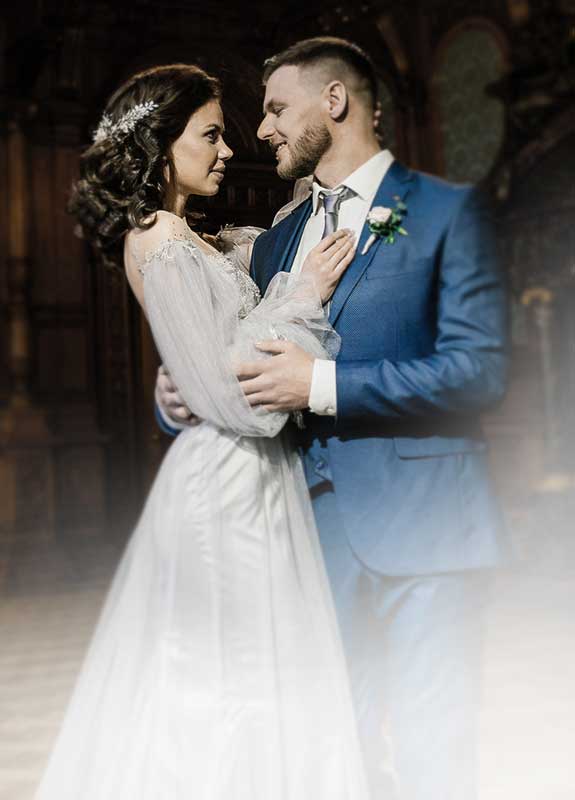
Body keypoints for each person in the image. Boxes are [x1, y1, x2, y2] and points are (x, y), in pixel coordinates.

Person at [157, 38, 509, 800]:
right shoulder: (277, 239)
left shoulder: (445, 212)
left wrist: (319, 385)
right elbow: (232, 359)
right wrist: (177, 395)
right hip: (303, 542)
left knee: (429, 753)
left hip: (425, 534)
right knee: (332, 754)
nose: (262, 131)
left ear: (335, 102)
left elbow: (480, 372)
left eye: (276, 108)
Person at [35, 63, 371, 800]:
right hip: (229, 479)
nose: (228, 149)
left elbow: (220, 342)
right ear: (161, 145)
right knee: (231, 668)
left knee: (261, 663)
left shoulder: (198, 240)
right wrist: (303, 293)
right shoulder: (159, 241)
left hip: (252, 474)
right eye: (210, 134)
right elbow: (237, 399)